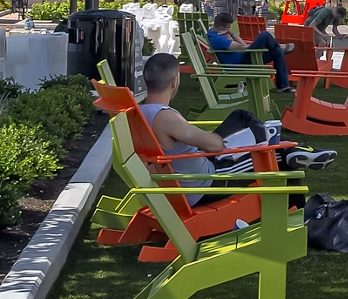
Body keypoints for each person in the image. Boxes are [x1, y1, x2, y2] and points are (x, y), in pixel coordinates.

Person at [134, 53, 333, 197]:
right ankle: (298, 213)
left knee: (241, 117)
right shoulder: (166, 118)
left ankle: (294, 150)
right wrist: (210, 140)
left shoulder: (137, 114)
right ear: (174, 81)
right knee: (276, 155)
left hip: (183, 177)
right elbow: (215, 146)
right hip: (207, 182)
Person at [207, 10, 296, 92]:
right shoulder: (217, 39)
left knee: (278, 52)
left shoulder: (214, 33)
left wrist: (229, 32)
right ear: (221, 27)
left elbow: (242, 45)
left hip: (242, 57)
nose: (229, 29)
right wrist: (231, 33)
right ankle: (279, 46)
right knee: (264, 34)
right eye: (228, 28)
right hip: (239, 63)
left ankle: (283, 87)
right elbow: (243, 46)